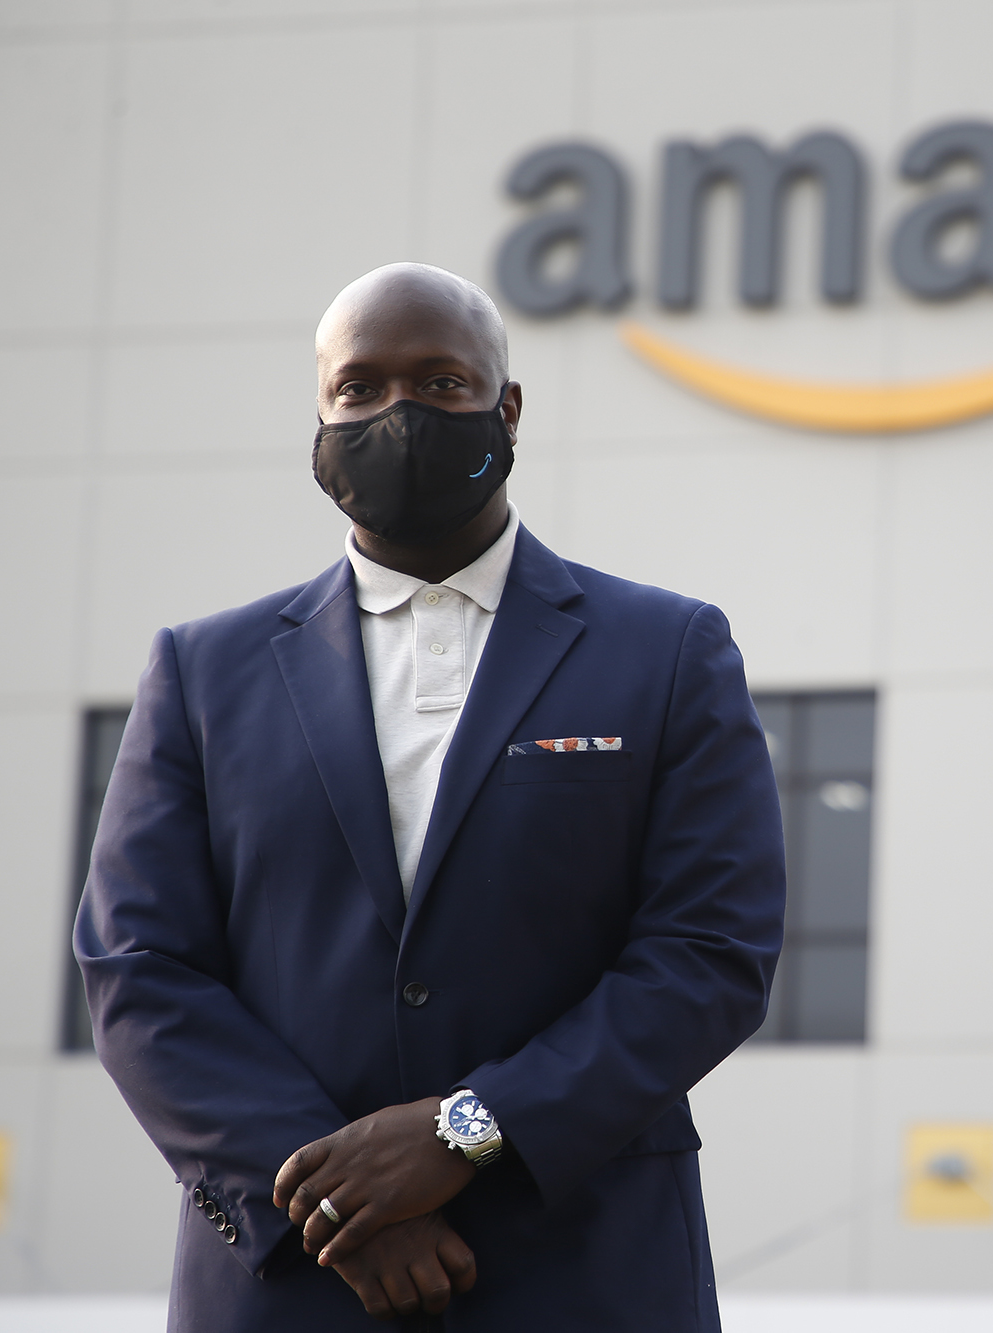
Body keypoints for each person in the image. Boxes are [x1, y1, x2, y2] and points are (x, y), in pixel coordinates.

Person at [75, 263, 785, 1331]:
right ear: (318, 418)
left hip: (586, 1274)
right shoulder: (203, 672)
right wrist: (340, 1204)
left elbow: (708, 953)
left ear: (506, 408)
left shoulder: (667, 651)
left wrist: (466, 1129)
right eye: (357, 388)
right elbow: (138, 969)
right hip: (291, 1283)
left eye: (440, 381)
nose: (396, 412)